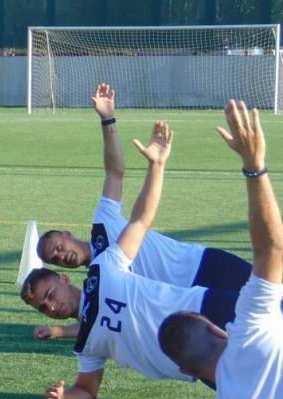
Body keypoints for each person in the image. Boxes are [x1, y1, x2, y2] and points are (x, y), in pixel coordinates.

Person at [21, 121, 238, 399]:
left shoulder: (104, 268)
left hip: (207, 306)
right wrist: (64, 397)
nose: (50, 306)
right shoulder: (85, 343)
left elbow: (140, 220)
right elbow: (86, 390)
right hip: (196, 361)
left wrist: (156, 166)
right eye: (43, 308)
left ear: (63, 279)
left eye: (49, 295)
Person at [33, 84, 251, 341]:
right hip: (188, 306)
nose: (61, 256)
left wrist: (107, 119)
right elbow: (98, 320)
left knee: (271, 293)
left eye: (58, 247)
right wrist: (60, 331)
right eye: (55, 259)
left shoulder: (103, 224)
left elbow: (114, 172)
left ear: (67, 234)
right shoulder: (100, 280)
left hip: (201, 264)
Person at [158, 101, 283, 399]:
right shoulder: (249, 327)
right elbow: (270, 250)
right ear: (216, 328)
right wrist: (254, 166)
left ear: (186, 372)